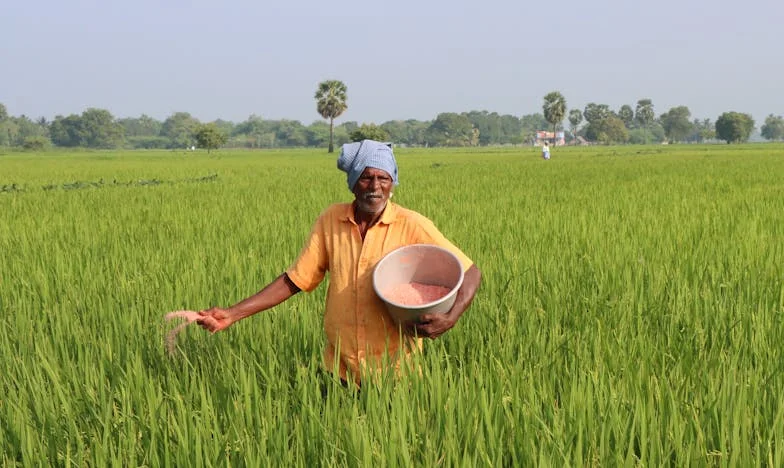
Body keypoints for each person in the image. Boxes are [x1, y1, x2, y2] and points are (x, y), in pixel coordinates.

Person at [196, 139, 481, 387]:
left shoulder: (412, 224)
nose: (375, 187)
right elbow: (295, 279)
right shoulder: (331, 220)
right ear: (353, 182)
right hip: (339, 369)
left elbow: (470, 271)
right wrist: (233, 314)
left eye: (384, 178)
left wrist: (451, 317)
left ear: (393, 182)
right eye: (367, 178)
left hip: (396, 372)